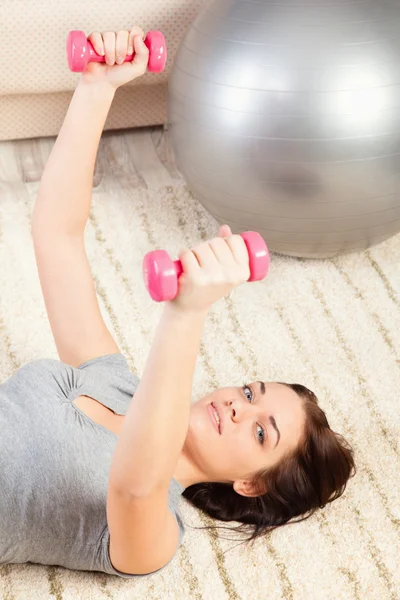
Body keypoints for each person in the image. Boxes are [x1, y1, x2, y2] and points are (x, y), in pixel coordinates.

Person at [0, 26, 355, 579]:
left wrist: (187, 311)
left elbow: (134, 481)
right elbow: (57, 237)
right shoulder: (114, 381)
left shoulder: (158, 534)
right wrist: (98, 90)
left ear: (251, 484)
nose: (239, 406)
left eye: (261, 431)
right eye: (249, 390)